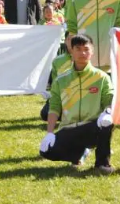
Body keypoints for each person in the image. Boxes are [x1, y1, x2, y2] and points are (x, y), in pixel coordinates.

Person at [39, 34, 115, 174]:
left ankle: (102, 164)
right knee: (46, 151)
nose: (83, 53)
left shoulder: (102, 77)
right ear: (71, 51)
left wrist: (108, 112)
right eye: (78, 49)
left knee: (108, 122)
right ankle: (78, 153)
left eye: (86, 49)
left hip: (92, 127)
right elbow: (54, 108)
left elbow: (109, 100)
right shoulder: (61, 80)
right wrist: (49, 133)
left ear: (92, 52)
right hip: (68, 129)